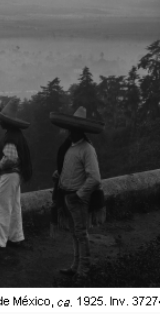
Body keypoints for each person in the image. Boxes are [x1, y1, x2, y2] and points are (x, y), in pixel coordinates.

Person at [49, 106, 105, 284]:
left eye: (73, 129)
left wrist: (79, 194)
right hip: (68, 195)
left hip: (77, 198)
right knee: (75, 233)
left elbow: (94, 177)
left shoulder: (87, 149)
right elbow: (72, 169)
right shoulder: (71, 148)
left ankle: (84, 269)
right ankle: (75, 266)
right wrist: (59, 175)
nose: (69, 132)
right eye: (70, 129)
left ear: (80, 130)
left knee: (81, 233)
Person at [0, 100, 32, 251]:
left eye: (2, 120)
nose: (0, 122)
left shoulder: (10, 137)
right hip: (15, 176)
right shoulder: (16, 135)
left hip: (9, 175)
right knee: (13, 206)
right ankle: (15, 237)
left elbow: (11, 158)